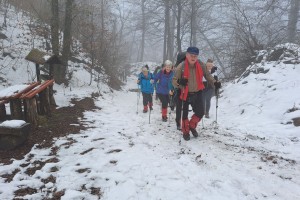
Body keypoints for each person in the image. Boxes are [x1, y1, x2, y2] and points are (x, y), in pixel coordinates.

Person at [172, 47, 221, 141]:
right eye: (191, 55)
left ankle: (191, 126)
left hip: (197, 92)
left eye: (195, 56)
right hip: (184, 93)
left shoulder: (201, 64)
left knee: (200, 112)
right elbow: (173, 81)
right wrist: (179, 82)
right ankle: (185, 131)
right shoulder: (181, 66)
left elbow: (207, 75)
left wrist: (215, 82)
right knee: (185, 114)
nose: (193, 58)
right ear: (187, 55)